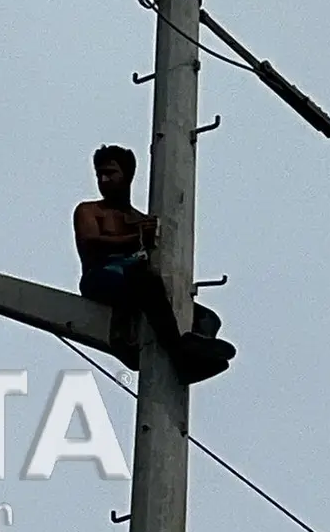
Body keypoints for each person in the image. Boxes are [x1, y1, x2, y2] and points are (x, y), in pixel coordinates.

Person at [74, 145, 234, 384]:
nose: (104, 180)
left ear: (127, 176)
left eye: (110, 173)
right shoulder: (90, 210)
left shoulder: (142, 219)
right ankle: (178, 351)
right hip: (102, 277)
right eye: (100, 175)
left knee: (208, 318)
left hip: (138, 284)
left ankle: (199, 346)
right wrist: (137, 238)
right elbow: (91, 242)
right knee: (143, 279)